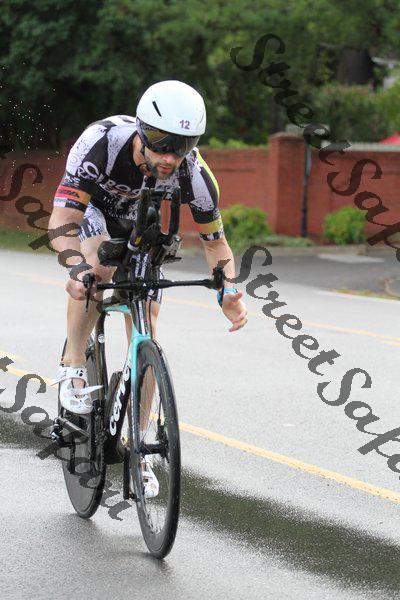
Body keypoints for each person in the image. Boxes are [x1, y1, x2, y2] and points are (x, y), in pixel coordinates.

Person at [49, 80, 248, 417]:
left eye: (182, 146)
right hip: (94, 212)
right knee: (98, 269)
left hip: (140, 224)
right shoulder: (101, 143)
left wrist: (227, 289)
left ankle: (138, 441)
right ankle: (73, 362)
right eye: (160, 143)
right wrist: (75, 267)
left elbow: (216, 243)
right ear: (141, 130)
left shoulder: (194, 173)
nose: (170, 157)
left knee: (147, 323)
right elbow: (63, 219)